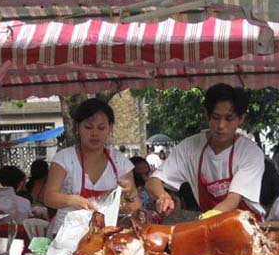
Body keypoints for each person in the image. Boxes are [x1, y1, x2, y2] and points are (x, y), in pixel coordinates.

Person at [145, 83, 265, 217]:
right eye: (216, 117)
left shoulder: (250, 153)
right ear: (206, 114)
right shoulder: (189, 148)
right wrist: (162, 196)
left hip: (246, 227)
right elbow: (152, 182)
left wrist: (206, 218)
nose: (221, 125)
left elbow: (233, 199)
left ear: (241, 118)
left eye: (229, 118)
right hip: (208, 229)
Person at [44, 98, 141, 236]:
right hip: (65, 234)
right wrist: (70, 200)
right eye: (88, 127)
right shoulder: (64, 158)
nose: (95, 133)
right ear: (77, 128)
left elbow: (135, 207)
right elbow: (49, 197)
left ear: (110, 128)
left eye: (101, 128)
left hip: (104, 234)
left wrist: (131, 194)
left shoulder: (119, 162)